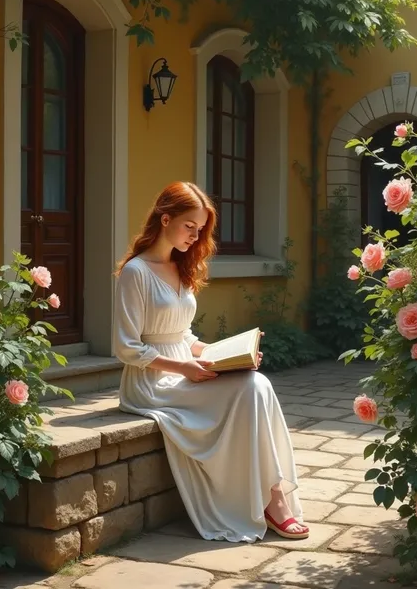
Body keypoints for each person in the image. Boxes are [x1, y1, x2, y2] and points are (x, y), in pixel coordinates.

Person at [113, 181, 309, 542]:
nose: (195, 235)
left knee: (257, 382)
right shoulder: (135, 272)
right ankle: (270, 501)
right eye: (190, 226)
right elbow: (126, 348)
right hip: (151, 383)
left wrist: (229, 353)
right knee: (250, 389)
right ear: (165, 218)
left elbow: (184, 337)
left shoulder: (180, 267)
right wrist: (184, 368)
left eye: (200, 229)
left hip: (183, 369)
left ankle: (273, 495)